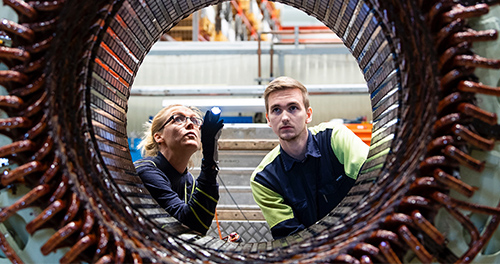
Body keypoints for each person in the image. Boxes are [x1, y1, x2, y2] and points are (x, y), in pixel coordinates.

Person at [250, 77, 369, 239]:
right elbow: (292, 238)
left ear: (308, 115)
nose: (284, 117)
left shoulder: (335, 139)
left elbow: (376, 179)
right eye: (276, 110)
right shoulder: (264, 179)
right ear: (268, 120)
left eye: (293, 108)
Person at [134, 104, 223, 235]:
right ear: (158, 136)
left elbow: (196, 230)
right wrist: (209, 161)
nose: (190, 124)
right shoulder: (144, 171)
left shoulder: (189, 181)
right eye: (178, 119)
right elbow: (189, 224)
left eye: (195, 120)